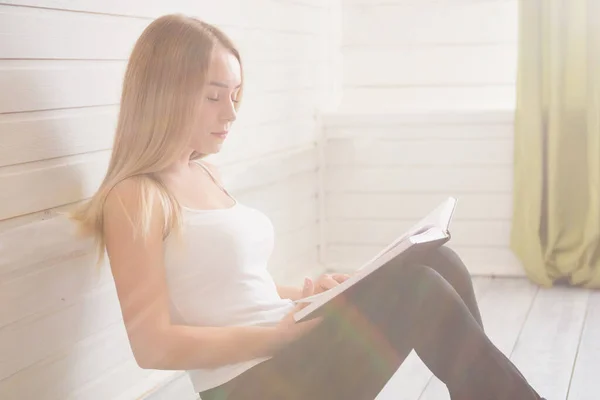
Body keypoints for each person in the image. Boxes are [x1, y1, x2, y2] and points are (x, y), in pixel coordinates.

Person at [70, 14, 546, 400]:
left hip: (285, 352)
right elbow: (152, 343)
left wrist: (306, 295)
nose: (231, 113)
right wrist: (277, 337)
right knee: (418, 290)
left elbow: (234, 286)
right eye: (214, 96)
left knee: (434, 256)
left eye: (235, 96)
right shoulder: (134, 196)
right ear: (165, 93)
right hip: (250, 385)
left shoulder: (204, 173)